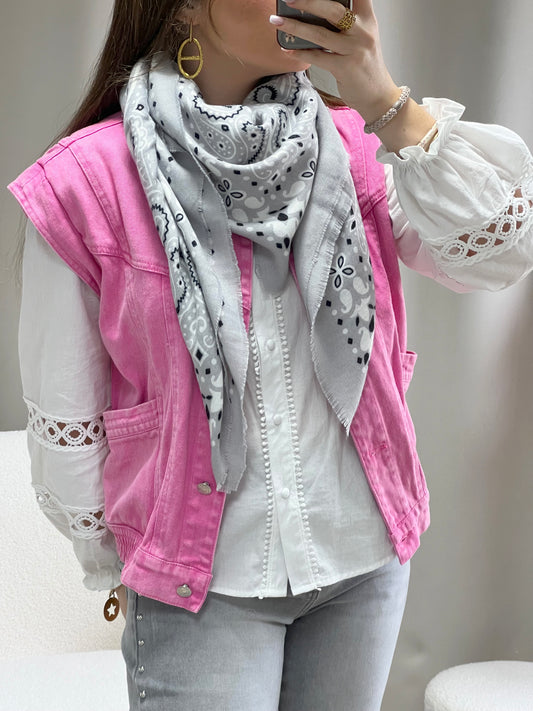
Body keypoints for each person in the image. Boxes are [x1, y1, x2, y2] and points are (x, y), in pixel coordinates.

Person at [8, 0, 533, 709]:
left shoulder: (353, 146)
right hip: (203, 587)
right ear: (184, 6)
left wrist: (382, 98)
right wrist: (124, 559)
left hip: (363, 557)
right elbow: (66, 412)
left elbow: (501, 250)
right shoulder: (86, 181)